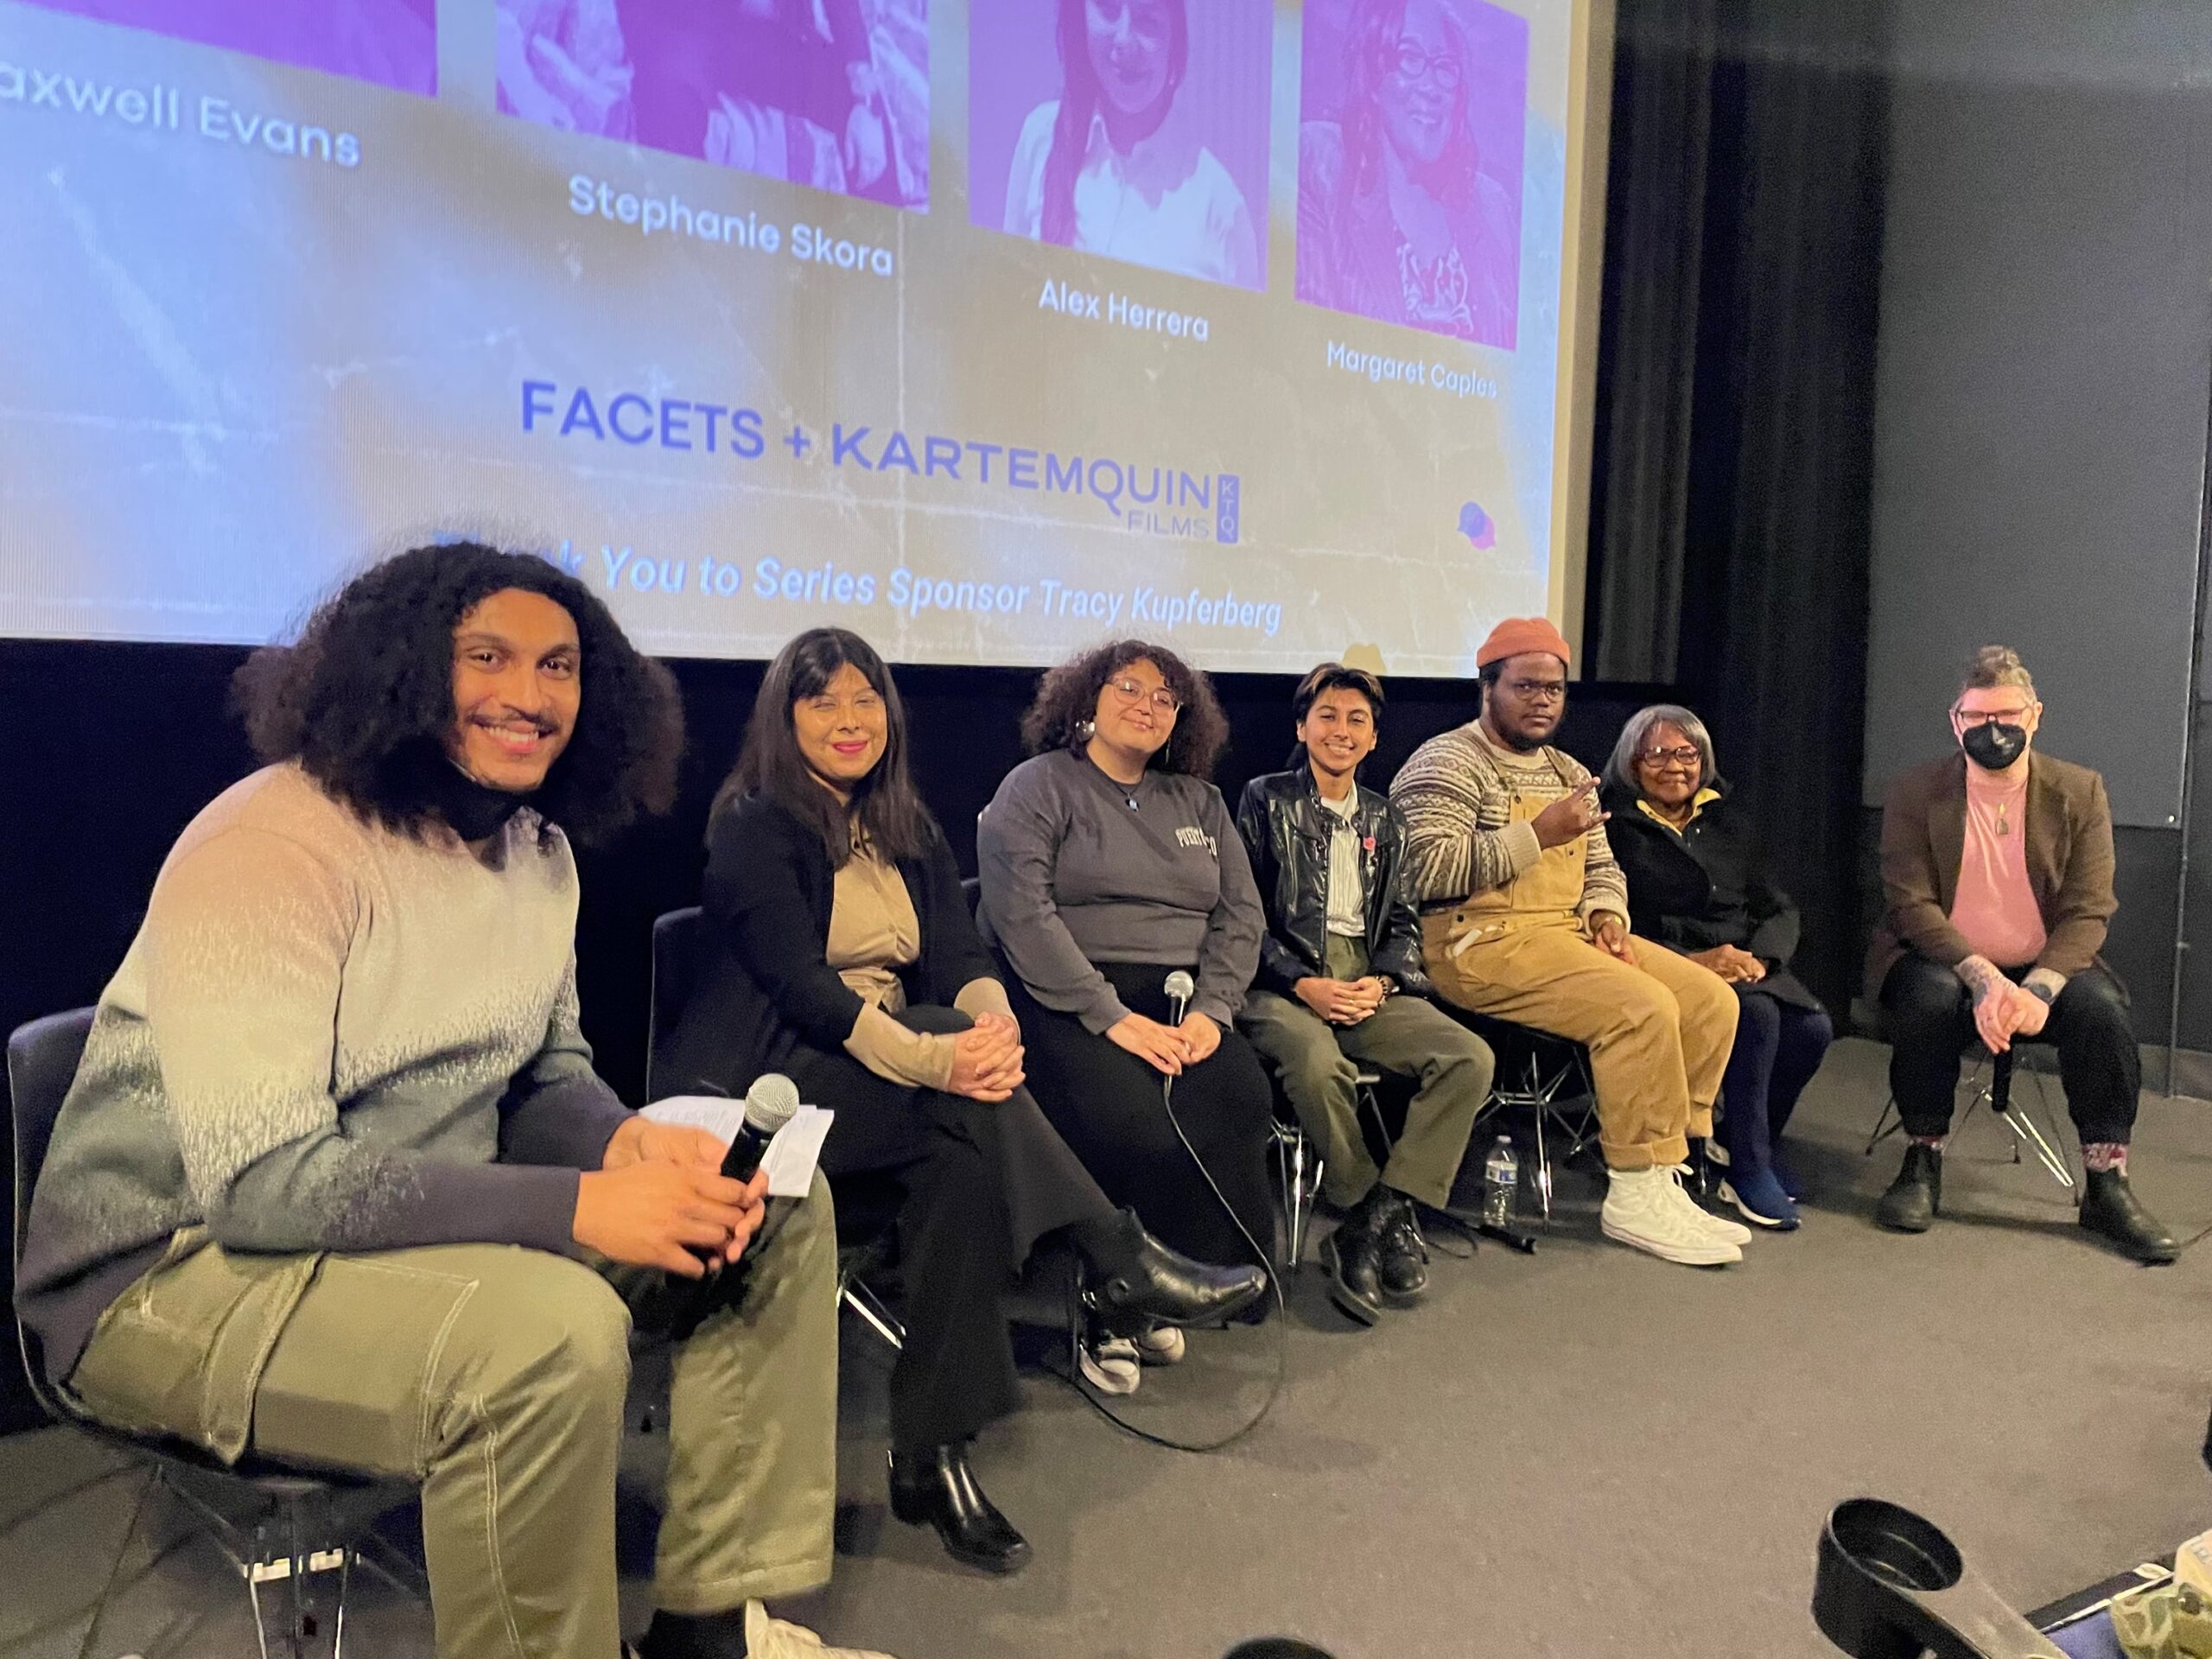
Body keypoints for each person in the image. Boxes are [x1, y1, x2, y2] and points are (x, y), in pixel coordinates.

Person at [13, 544, 889, 1659]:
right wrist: (574, 1209)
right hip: (174, 1272)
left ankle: (706, 1632)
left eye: (560, 667)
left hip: (390, 1228)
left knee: (768, 1212)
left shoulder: (536, 854)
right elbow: (262, 1185)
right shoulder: (271, 845)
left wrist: (624, 1146)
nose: (529, 696)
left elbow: (541, 1074)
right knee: (547, 1341)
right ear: (406, 673)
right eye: (488, 658)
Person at [658, 629, 1264, 1572]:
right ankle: (1110, 1254)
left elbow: (959, 956)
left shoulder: (904, 823)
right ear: (785, 718)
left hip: (886, 1073)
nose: (848, 722)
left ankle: (932, 1452)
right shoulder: (754, 824)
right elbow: (803, 990)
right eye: (823, 703)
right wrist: (944, 1064)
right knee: (961, 1091)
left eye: (865, 702)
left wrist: (993, 1032)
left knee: (964, 1162)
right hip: (769, 1082)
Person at [1390, 617, 1748, 1267]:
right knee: (1640, 1007)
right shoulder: (1446, 760)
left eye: (1554, 689)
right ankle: (1634, 1190)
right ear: (1487, 686)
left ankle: (1671, 1171)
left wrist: (1608, 913)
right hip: (1476, 940)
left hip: (1565, 933)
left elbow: (1602, 867)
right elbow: (1421, 870)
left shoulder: (1567, 769)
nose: (1542, 701)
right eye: (1526, 686)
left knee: (1708, 1001)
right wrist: (1538, 833)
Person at [976, 640, 1279, 1358]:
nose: (1148, 705)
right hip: (1069, 994)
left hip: (1182, 997)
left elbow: (1242, 917)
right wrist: (1111, 1017)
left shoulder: (1200, 801)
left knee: (1238, 1093)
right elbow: (1022, 913)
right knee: (1133, 1115)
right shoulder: (1038, 786)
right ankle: (1112, 1293)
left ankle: (1208, 1280)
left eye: (1165, 698)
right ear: (1086, 700)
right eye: (1129, 688)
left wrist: (1213, 1012)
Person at [1867, 646, 2177, 1262]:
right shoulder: (1915, 791)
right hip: (1941, 959)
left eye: (2008, 715)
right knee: (1927, 1002)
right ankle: (1922, 1158)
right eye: (1977, 718)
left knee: (2104, 1013)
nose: (1994, 730)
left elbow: (2090, 908)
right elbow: (1910, 903)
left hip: (2047, 966)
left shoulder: (2079, 791)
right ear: (1956, 722)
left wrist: (2036, 989)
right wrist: (1982, 978)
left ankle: (2106, 1181)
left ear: (2035, 716)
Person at [1234, 663, 1494, 1324]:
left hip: (1367, 982)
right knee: (1318, 1066)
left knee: (1470, 1058)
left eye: (1357, 720)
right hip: (1281, 981)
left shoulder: (1388, 817)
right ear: (1302, 726)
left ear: (1375, 738)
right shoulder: (1264, 800)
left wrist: (1382, 980)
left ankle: (1376, 1219)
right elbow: (1239, 919)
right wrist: (1305, 984)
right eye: (1327, 716)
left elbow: (1404, 922)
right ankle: (1361, 1200)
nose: (1341, 731)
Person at [1601, 705, 1834, 1230]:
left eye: (1686, 753)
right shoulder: (1612, 826)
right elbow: (1613, 923)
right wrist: (1697, 962)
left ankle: (1747, 1143)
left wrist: (1762, 957)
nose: (1674, 766)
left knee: (1814, 1029)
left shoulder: (1728, 820)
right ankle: (1750, 1171)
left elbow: (1778, 906)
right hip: (1662, 962)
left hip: (1747, 961)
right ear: (1632, 764)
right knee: (1759, 1018)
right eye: (1656, 754)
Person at [1296, 0, 1519, 346]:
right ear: (1373, 78)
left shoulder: (1493, 209)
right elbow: (1306, 344)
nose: (1431, 87)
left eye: (1444, 67)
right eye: (1409, 59)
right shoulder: (1321, 168)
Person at [1002, 0, 1262, 289]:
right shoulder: (1040, 137)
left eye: (1148, 20)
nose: (1125, 40)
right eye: (1108, 10)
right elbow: (1012, 299)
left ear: (1174, 39)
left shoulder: (1222, 206)